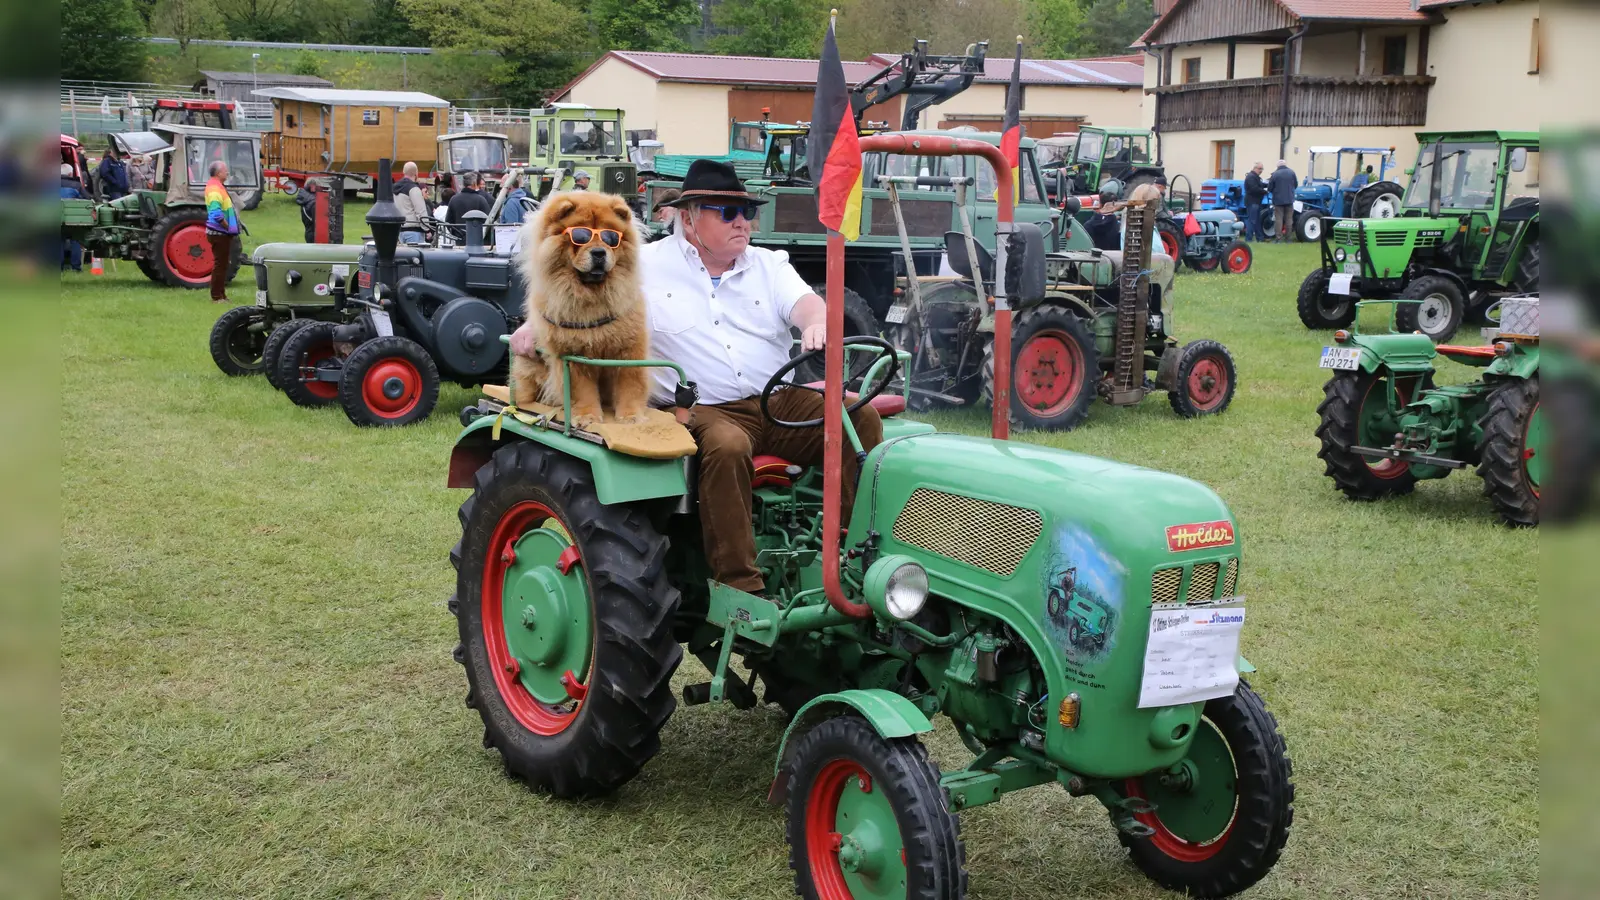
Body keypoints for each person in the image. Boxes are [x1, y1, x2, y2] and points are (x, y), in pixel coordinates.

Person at [509, 159, 882, 597]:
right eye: (728, 212)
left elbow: (807, 304)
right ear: (689, 218)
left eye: (748, 211)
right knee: (728, 446)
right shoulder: (644, 262)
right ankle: (741, 590)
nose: (742, 222)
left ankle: (857, 554)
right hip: (701, 409)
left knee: (860, 418)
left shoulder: (768, 264)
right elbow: (571, 287)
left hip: (777, 401)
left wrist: (815, 323)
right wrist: (537, 324)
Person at [204, 160, 240, 303]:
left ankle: (222, 295)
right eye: (226, 171)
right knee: (220, 265)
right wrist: (228, 228)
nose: (228, 173)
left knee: (223, 264)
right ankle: (217, 296)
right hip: (219, 233)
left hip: (221, 233)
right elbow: (216, 214)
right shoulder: (214, 189)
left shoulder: (217, 186)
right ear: (219, 173)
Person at [393, 161, 430, 243]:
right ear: (416, 173)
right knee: (416, 255)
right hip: (414, 231)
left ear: (403, 172)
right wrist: (427, 229)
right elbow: (420, 211)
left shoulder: (394, 188)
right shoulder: (414, 189)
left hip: (400, 231)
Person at [60, 163, 84, 273]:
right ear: (70, 173)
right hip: (74, 219)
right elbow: (87, 199)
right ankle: (76, 268)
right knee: (76, 241)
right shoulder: (76, 185)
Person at [1268, 159, 1298, 243]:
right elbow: (1295, 184)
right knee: (1289, 220)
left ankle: (1279, 238)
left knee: (1278, 220)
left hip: (1278, 201)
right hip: (1289, 200)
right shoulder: (1292, 172)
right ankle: (1288, 239)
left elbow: (1270, 188)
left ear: (1278, 166)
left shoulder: (1275, 174)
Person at [1243, 162, 1267, 242]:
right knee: (1252, 221)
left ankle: (1260, 238)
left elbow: (1259, 185)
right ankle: (1248, 238)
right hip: (1252, 202)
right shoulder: (1251, 177)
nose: (1261, 171)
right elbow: (1254, 189)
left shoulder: (1254, 177)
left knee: (1256, 221)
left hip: (1255, 202)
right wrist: (1264, 191)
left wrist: (1266, 185)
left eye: (1262, 169)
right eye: (1259, 169)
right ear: (1255, 168)